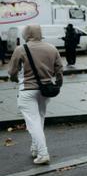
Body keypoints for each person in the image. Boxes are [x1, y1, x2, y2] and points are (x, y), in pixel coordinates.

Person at [8, 25, 63, 165]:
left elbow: (12, 72)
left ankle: (43, 153)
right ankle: (35, 149)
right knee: (39, 120)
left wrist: (16, 80)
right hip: (45, 90)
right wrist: (58, 83)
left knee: (33, 123)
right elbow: (59, 70)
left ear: (26, 34)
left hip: (27, 90)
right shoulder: (52, 48)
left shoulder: (21, 49)